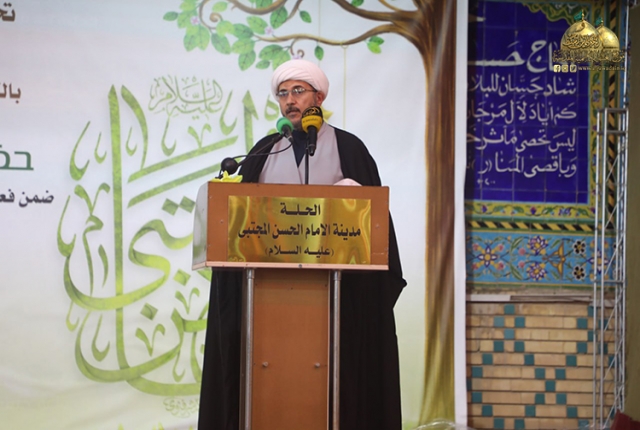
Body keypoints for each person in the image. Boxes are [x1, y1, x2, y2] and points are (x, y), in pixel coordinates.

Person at [198, 59, 407, 430]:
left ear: (319, 97)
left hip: (339, 301)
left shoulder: (350, 149)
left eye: (298, 91)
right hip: (266, 301)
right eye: (283, 93)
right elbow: (237, 223)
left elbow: (375, 226)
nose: (290, 100)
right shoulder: (264, 151)